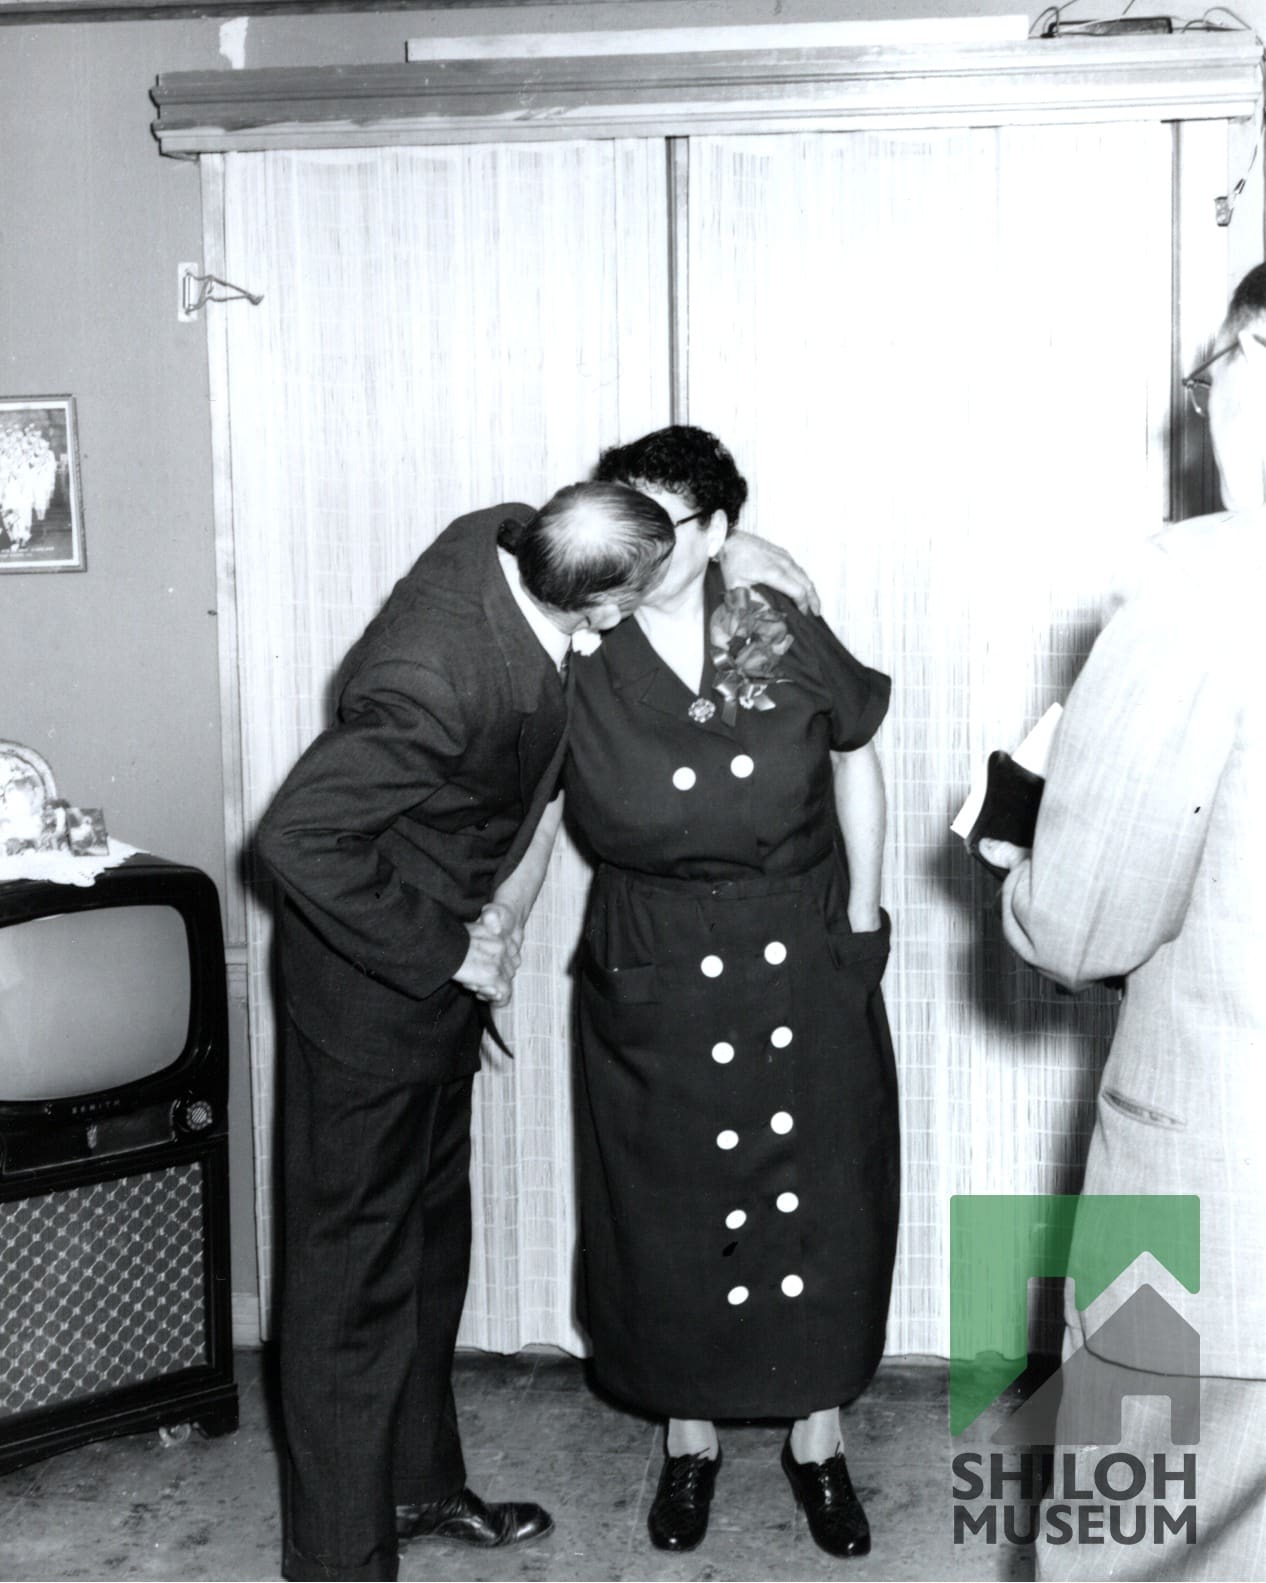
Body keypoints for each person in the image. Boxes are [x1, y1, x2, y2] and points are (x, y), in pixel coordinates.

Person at [256, 475, 815, 1583]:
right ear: (596, 607)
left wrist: (749, 558)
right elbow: (296, 840)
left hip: (434, 990)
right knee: (347, 1279)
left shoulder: (510, 534)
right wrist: (448, 946)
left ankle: (413, 1484)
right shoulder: (435, 679)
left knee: (425, 1256)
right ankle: (336, 1559)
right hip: (366, 994)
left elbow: (624, 528)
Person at [488, 426, 900, 1557]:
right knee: (667, 1203)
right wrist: (503, 931)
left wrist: (864, 911)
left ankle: (817, 1443)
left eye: (673, 526)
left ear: (719, 532)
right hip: (653, 955)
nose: (642, 546)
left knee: (818, 1197)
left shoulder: (768, 621)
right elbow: (540, 809)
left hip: (796, 939)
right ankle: (690, 1440)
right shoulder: (584, 635)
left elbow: (852, 745)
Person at [981, 264, 1266, 1579]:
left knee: (1137, 1541)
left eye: (1206, 380)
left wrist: (1021, 841)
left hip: (1221, 1196)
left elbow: (1079, 927)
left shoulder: (1204, 583)